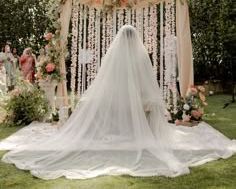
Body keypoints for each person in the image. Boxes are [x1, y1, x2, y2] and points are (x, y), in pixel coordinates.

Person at [2, 25, 236, 180]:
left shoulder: (112, 57)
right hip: (135, 99)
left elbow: (106, 82)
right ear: (135, 40)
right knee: (151, 102)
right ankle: (140, 132)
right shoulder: (141, 56)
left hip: (120, 99)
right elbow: (147, 83)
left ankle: (110, 130)